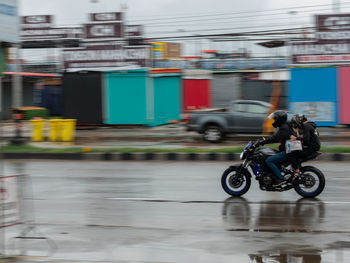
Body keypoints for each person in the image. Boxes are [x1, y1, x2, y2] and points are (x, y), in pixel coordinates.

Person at [256, 110, 296, 186]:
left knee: (268, 160)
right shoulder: (285, 125)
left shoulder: (284, 128)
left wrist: (261, 142)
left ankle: (280, 178)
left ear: (279, 119)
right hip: (287, 150)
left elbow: (275, 138)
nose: (274, 120)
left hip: (286, 152)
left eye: (275, 119)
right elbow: (276, 137)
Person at [288, 114, 321, 179]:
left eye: (296, 123)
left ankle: (297, 171)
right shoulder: (310, 125)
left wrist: (296, 139)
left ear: (299, 121)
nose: (296, 125)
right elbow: (310, 136)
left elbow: (306, 139)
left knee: (291, 154)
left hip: (311, 147)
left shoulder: (306, 126)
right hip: (314, 146)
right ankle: (298, 168)